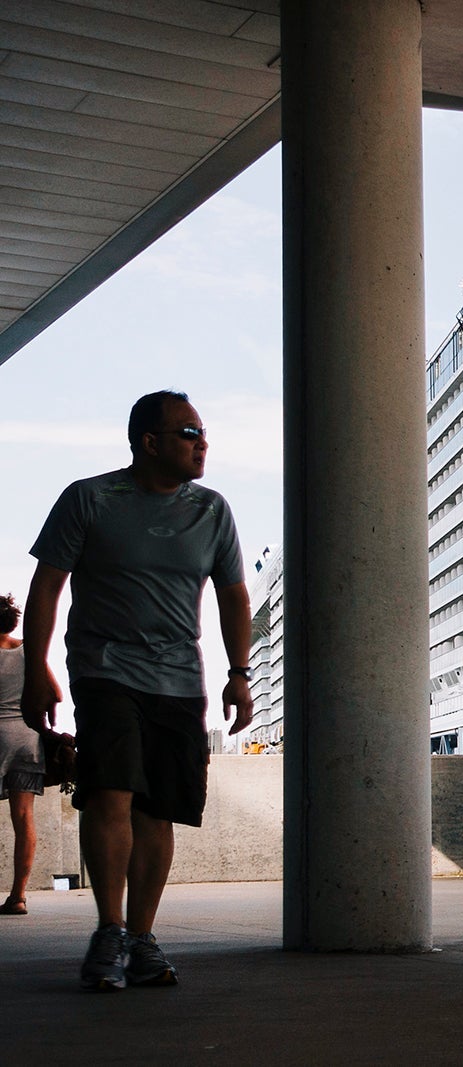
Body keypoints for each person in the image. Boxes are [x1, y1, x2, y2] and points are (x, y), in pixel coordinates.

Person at [21, 390, 254, 990]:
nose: (202, 442)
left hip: (180, 679)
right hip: (105, 670)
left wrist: (239, 673)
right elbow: (47, 584)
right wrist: (37, 668)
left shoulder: (212, 510)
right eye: (188, 431)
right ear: (149, 442)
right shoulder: (90, 498)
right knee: (110, 793)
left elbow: (233, 595)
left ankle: (142, 937)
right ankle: (109, 930)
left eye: (203, 431)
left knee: (159, 810)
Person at [1, 592, 42, 916]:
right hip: (27, 739)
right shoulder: (31, 650)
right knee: (24, 818)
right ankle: (18, 896)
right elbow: (51, 690)